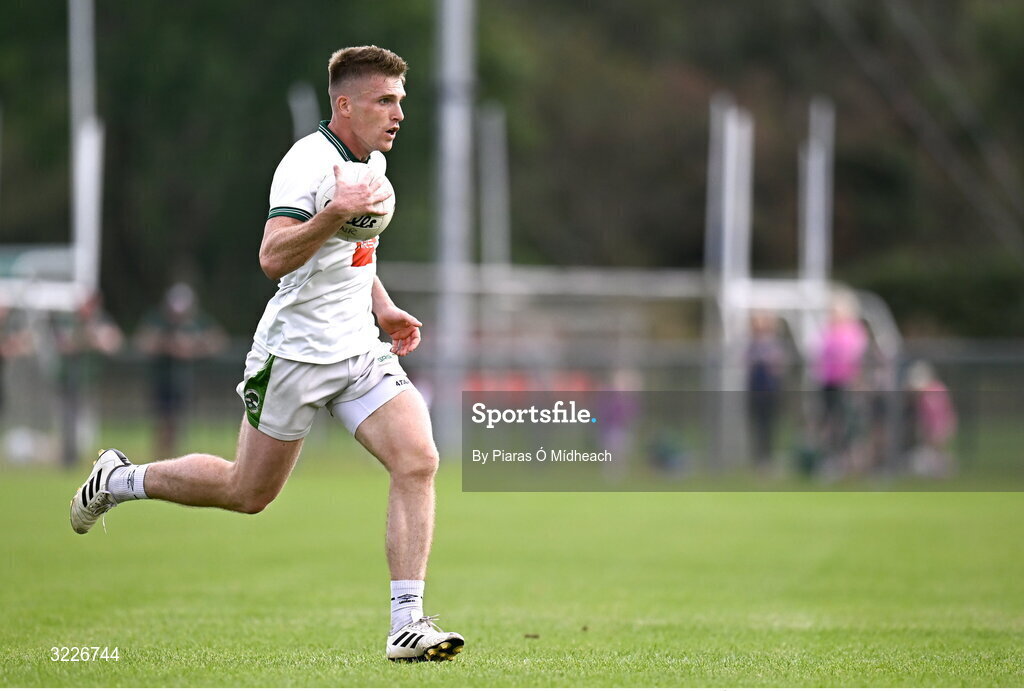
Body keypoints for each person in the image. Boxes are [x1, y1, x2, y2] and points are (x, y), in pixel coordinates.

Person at [69, 46, 465, 663]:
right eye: (385, 101)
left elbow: (355, 252)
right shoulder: (306, 164)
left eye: (400, 102)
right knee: (246, 491)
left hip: (358, 350)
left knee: (418, 460)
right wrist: (335, 213)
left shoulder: (375, 160)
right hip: (296, 352)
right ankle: (121, 479)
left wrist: (381, 307)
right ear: (345, 104)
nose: (398, 114)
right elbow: (273, 257)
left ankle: (406, 624)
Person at [135, 282, 227, 459]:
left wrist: (194, 347)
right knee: (162, 420)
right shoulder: (157, 320)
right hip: (162, 380)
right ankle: (161, 455)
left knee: (178, 421)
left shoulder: (198, 322)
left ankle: (175, 455)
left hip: (185, 382)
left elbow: (218, 341)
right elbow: (143, 341)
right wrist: (168, 345)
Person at [745, 310, 787, 468]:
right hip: (756, 391)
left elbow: (778, 366)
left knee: (769, 426)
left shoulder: (773, 344)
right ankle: (758, 459)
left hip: (769, 391)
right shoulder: (752, 344)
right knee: (757, 425)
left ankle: (768, 459)